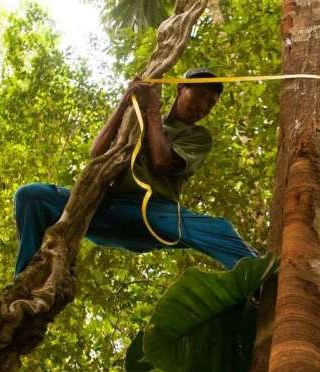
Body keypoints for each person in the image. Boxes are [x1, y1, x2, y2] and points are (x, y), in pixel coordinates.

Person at [13, 68, 259, 275]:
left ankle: (261, 274)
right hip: (107, 209)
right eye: (200, 95)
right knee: (32, 196)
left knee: (219, 230)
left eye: (211, 103)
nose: (203, 106)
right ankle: (25, 280)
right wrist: (125, 102)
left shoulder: (198, 136)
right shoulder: (137, 119)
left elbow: (162, 162)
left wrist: (151, 110)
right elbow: (97, 155)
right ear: (180, 89)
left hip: (154, 213)